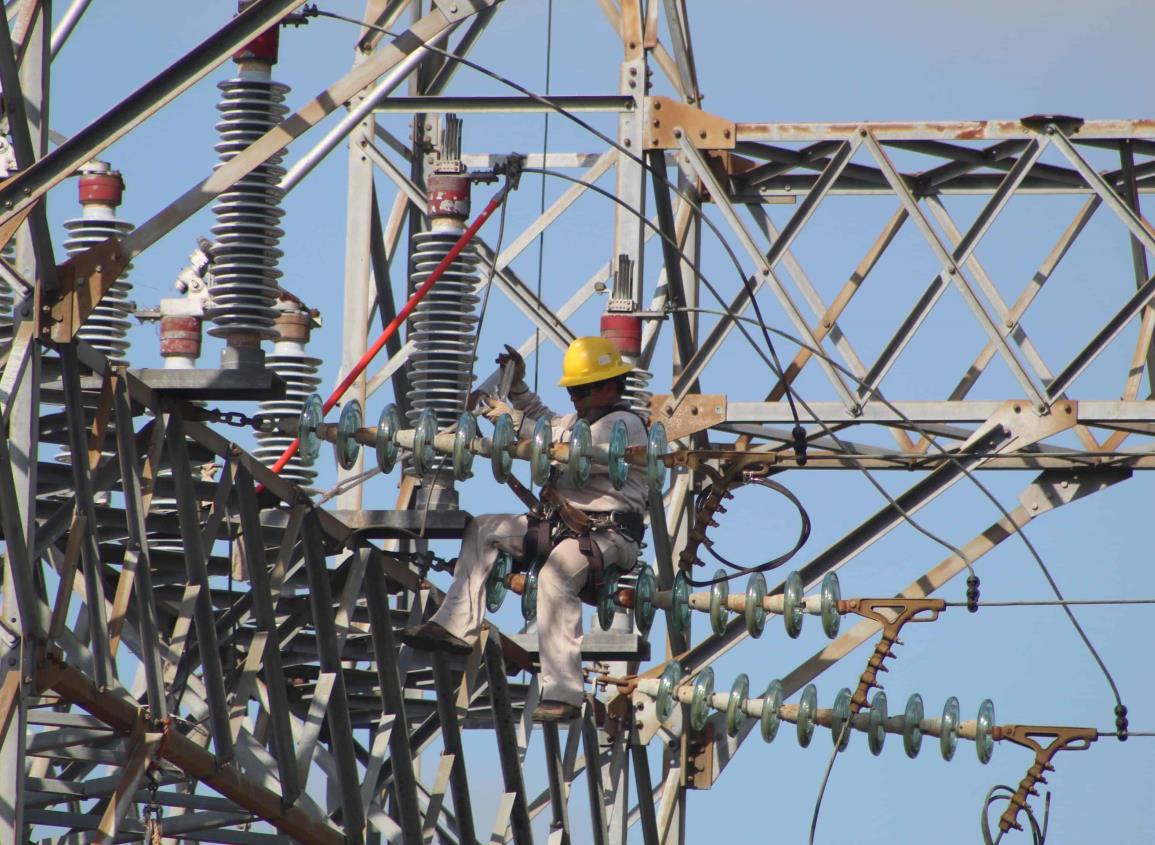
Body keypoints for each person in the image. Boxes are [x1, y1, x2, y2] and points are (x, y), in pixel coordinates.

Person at [400, 336, 650, 722]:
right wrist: (517, 389)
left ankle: (565, 694)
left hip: (608, 536)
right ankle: (454, 626)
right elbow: (548, 423)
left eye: (582, 390)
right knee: (485, 530)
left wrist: (513, 421)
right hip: (563, 527)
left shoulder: (624, 426)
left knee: (556, 575)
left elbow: (567, 445)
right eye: (573, 390)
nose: (575, 398)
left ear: (609, 386)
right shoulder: (581, 422)